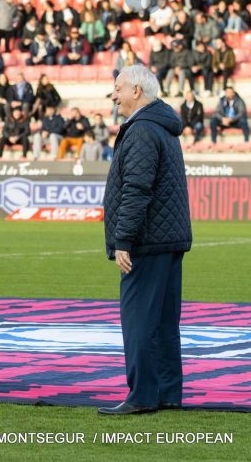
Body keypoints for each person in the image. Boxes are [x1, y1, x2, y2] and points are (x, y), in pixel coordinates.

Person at [99, 64, 192, 415]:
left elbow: (136, 190)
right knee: (165, 322)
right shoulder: (164, 128)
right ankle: (168, 392)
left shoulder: (141, 130)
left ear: (136, 91)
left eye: (118, 88)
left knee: (139, 318)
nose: (114, 95)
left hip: (147, 242)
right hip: (168, 239)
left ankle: (141, 395)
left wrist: (123, 239)